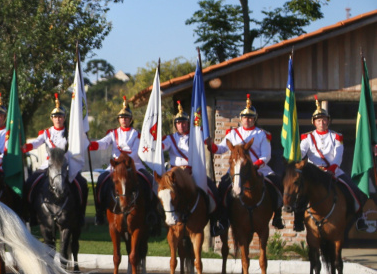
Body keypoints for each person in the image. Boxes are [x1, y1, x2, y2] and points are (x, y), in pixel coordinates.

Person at [211, 94, 284, 230]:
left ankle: (277, 216)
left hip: (258, 168)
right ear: (241, 119)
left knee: (277, 183)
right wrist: (211, 146)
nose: (248, 120)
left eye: (250, 118)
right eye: (245, 117)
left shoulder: (262, 134)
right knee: (222, 186)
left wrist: (254, 166)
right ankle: (223, 219)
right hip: (237, 169)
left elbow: (266, 155)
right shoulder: (233, 133)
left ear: (254, 119)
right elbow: (221, 148)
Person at [299, 97, 371, 231]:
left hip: (333, 170)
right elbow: (301, 151)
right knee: (298, 192)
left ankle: (360, 217)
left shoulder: (337, 136)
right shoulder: (307, 137)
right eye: (319, 120)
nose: (322, 122)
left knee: (355, 190)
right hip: (314, 172)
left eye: (324, 119)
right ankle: (297, 219)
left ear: (329, 121)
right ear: (314, 122)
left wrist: (331, 169)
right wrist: (296, 157)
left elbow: (338, 155)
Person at [89, 97, 160, 228]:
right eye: (121, 118)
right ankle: (100, 211)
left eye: (126, 118)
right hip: (115, 166)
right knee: (101, 181)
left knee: (150, 180)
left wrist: (125, 160)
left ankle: (151, 210)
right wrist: (90, 144)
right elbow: (103, 143)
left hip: (133, 165)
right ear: (118, 120)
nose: (124, 120)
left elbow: (136, 151)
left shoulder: (137, 134)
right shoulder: (113, 133)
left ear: (131, 119)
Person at [157, 101, 220, 230]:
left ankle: (215, 221)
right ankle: (156, 220)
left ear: (188, 124)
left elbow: (206, 143)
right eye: (179, 123)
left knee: (212, 189)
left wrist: (209, 142)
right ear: (176, 125)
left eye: (184, 123)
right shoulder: (170, 138)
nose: (181, 125)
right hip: (174, 175)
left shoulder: (195, 136)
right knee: (159, 192)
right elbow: (162, 147)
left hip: (192, 172)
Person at [22, 93, 86, 198]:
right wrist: (25, 147)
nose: (58, 119)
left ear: (64, 118)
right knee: (30, 182)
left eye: (60, 117)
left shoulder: (70, 134)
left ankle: (80, 212)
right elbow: (36, 142)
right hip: (48, 165)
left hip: (65, 166)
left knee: (82, 184)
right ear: (52, 119)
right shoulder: (46, 133)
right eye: (55, 117)